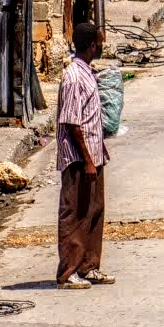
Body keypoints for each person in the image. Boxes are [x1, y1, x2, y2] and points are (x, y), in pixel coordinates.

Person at [55, 23, 113, 290]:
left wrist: (98, 152)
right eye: (99, 42)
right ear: (92, 45)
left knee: (94, 211)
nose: (101, 46)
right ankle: (68, 272)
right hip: (79, 158)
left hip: (94, 154)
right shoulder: (73, 77)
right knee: (75, 214)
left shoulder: (88, 73)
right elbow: (71, 122)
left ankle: (90, 266)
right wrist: (88, 159)